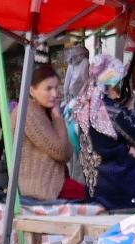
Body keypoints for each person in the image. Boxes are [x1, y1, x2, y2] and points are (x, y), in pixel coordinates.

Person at [72, 54, 135, 212]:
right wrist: (131, 107)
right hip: (122, 191)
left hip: (96, 191)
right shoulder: (113, 112)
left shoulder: (85, 107)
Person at [17, 65, 85, 202]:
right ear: (31, 90)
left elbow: (68, 151)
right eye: (48, 89)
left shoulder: (42, 111)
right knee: (90, 196)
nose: (55, 94)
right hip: (40, 187)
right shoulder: (28, 113)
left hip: (51, 183)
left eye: (56, 88)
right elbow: (61, 152)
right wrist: (58, 119)